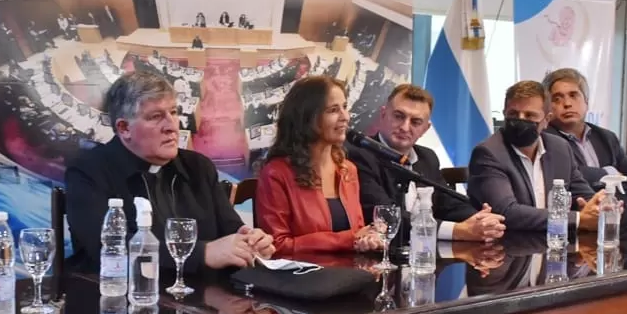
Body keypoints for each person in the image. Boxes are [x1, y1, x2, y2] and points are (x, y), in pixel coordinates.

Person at [66, 71, 274, 274]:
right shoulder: (88, 171)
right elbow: (108, 249)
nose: (172, 126)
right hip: (121, 296)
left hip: (204, 297)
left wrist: (249, 240)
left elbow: (230, 228)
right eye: (156, 116)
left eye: (173, 112)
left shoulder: (198, 166)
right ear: (124, 128)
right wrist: (202, 253)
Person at [348, 84, 505, 243]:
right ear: (383, 114)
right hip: (380, 257)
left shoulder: (427, 157)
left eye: (415, 122)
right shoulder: (359, 155)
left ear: (425, 129)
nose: (404, 127)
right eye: (398, 116)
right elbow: (385, 218)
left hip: (424, 256)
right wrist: (457, 231)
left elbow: (448, 205)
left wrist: (479, 220)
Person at [255, 76, 388, 256]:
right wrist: (350, 239)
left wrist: (369, 238)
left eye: (345, 107)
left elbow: (358, 231)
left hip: (348, 276)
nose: (345, 117)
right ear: (307, 118)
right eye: (333, 110)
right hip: (302, 277)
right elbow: (277, 245)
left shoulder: (348, 169)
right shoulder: (276, 173)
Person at [469, 81, 602, 233]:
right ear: (504, 114)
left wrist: (598, 205)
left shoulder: (560, 148)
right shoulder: (488, 153)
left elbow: (581, 191)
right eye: (513, 114)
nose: (520, 119)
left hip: (553, 244)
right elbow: (507, 213)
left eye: (529, 115)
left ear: (547, 120)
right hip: (505, 247)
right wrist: (578, 219)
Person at [542, 68, 627, 200]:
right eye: (557, 98)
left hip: (615, 213)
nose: (567, 104)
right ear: (547, 107)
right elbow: (569, 178)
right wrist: (609, 172)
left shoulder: (607, 137)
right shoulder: (546, 139)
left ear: (586, 102)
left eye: (573, 95)